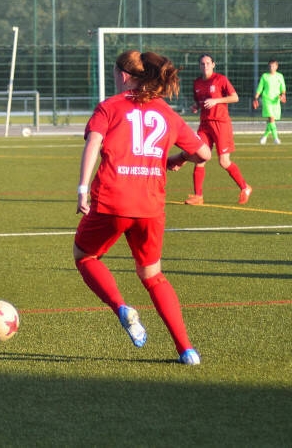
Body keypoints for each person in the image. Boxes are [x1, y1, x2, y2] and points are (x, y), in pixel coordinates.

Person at [73, 50, 212, 365]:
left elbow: (93, 143)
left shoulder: (110, 107)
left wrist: (82, 188)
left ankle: (122, 307)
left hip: (113, 200)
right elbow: (203, 154)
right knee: (153, 275)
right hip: (150, 206)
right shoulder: (167, 113)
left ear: (124, 74)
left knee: (85, 256)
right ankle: (187, 350)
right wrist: (176, 159)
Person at [186, 53, 252, 206]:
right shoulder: (196, 83)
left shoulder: (220, 79)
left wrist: (216, 100)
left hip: (221, 124)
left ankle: (245, 187)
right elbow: (200, 102)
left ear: (213, 64)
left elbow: (235, 97)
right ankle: (198, 196)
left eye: (208, 63)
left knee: (224, 162)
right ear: (199, 66)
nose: (205, 66)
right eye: (202, 64)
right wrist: (196, 106)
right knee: (200, 157)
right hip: (204, 124)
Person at [253, 59, 286, 145]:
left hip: (276, 100)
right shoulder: (265, 76)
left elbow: (283, 88)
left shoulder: (280, 76)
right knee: (271, 118)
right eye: (270, 66)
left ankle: (264, 137)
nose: (272, 67)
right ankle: (276, 139)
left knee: (271, 120)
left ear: (277, 66)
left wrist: (283, 95)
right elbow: (260, 87)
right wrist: (256, 98)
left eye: (273, 66)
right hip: (267, 100)